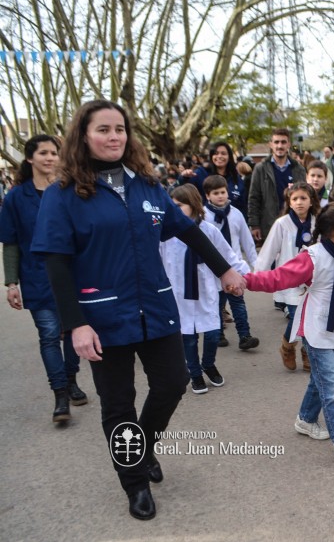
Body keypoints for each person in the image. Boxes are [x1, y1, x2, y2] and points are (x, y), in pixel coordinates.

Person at [30, 99, 246, 520]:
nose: (114, 137)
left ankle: (140, 448)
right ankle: (134, 482)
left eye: (120, 129)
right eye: (103, 129)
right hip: (102, 317)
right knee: (118, 405)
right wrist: (75, 326)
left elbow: (189, 232)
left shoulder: (146, 186)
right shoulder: (64, 194)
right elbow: (55, 262)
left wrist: (225, 272)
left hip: (155, 306)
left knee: (172, 383)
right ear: (84, 136)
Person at [244, 203, 334, 464]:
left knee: (321, 380)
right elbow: (279, 278)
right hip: (316, 330)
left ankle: (305, 419)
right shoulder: (312, 257)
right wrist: (246, 280)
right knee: (333, 387)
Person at [0, 134, 88, 423]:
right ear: (30, 158)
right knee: (49, 335)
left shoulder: (70, 190)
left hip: (72, 274)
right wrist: (11, 282)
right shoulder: (15, 197)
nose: (50, 158)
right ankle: (60, 394)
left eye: (54, 153)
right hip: (36, 276)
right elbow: (10, 242)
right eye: (43, 153)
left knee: (72, 329)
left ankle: (72, 380)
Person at [163, 185, 250, 394]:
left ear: (193, 205)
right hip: (180, 294)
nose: (174, 211)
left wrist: (244, 276)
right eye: (171, 207)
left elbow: (227, 256)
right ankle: (194, 373)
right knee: (188, 338)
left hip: (205, 291)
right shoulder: (166, 234)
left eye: (179, 206)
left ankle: (208, 364)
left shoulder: (209, 230)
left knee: (212, 334)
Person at [255, 181, 321, 372]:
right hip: (290, 280)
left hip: (313, 279)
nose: (299, 202)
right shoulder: (281, 224)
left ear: (311, 201)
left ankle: (307, 352)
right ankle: (288, 346)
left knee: (309, 318)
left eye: (303, 198)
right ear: (289, 202)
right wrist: (258, 277)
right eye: (295, 199)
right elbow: (269, 250)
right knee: (296, 318)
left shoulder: (318, 221)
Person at [202, 175, 260, 351]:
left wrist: (255, 265)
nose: (220, 196)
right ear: (207, 196)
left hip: (233, 267)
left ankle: (245, 336)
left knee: (238, 303)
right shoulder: (203, 216)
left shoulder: (236, 214)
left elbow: (246, 241)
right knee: (216, 304)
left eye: (223, 192)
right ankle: (218, 334)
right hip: (213, 269)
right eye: (215, 193)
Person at [248, 128, 306, 242]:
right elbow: (254, 198)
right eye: (276, 142)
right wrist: (254, 224)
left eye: (283, 142)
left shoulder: (299, 169)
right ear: (271, 144)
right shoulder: (260, 168)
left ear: (288, 144)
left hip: (293, 223)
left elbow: (305, 196)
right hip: (269, 224)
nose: (280, 146)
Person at [207, 141, 247, 215]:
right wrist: (184, 178)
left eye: (223, 153)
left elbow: (243, 207)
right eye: (216, 153)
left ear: (229, 157)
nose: (219, 156)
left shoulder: (237, 180)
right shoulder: (202, 174)